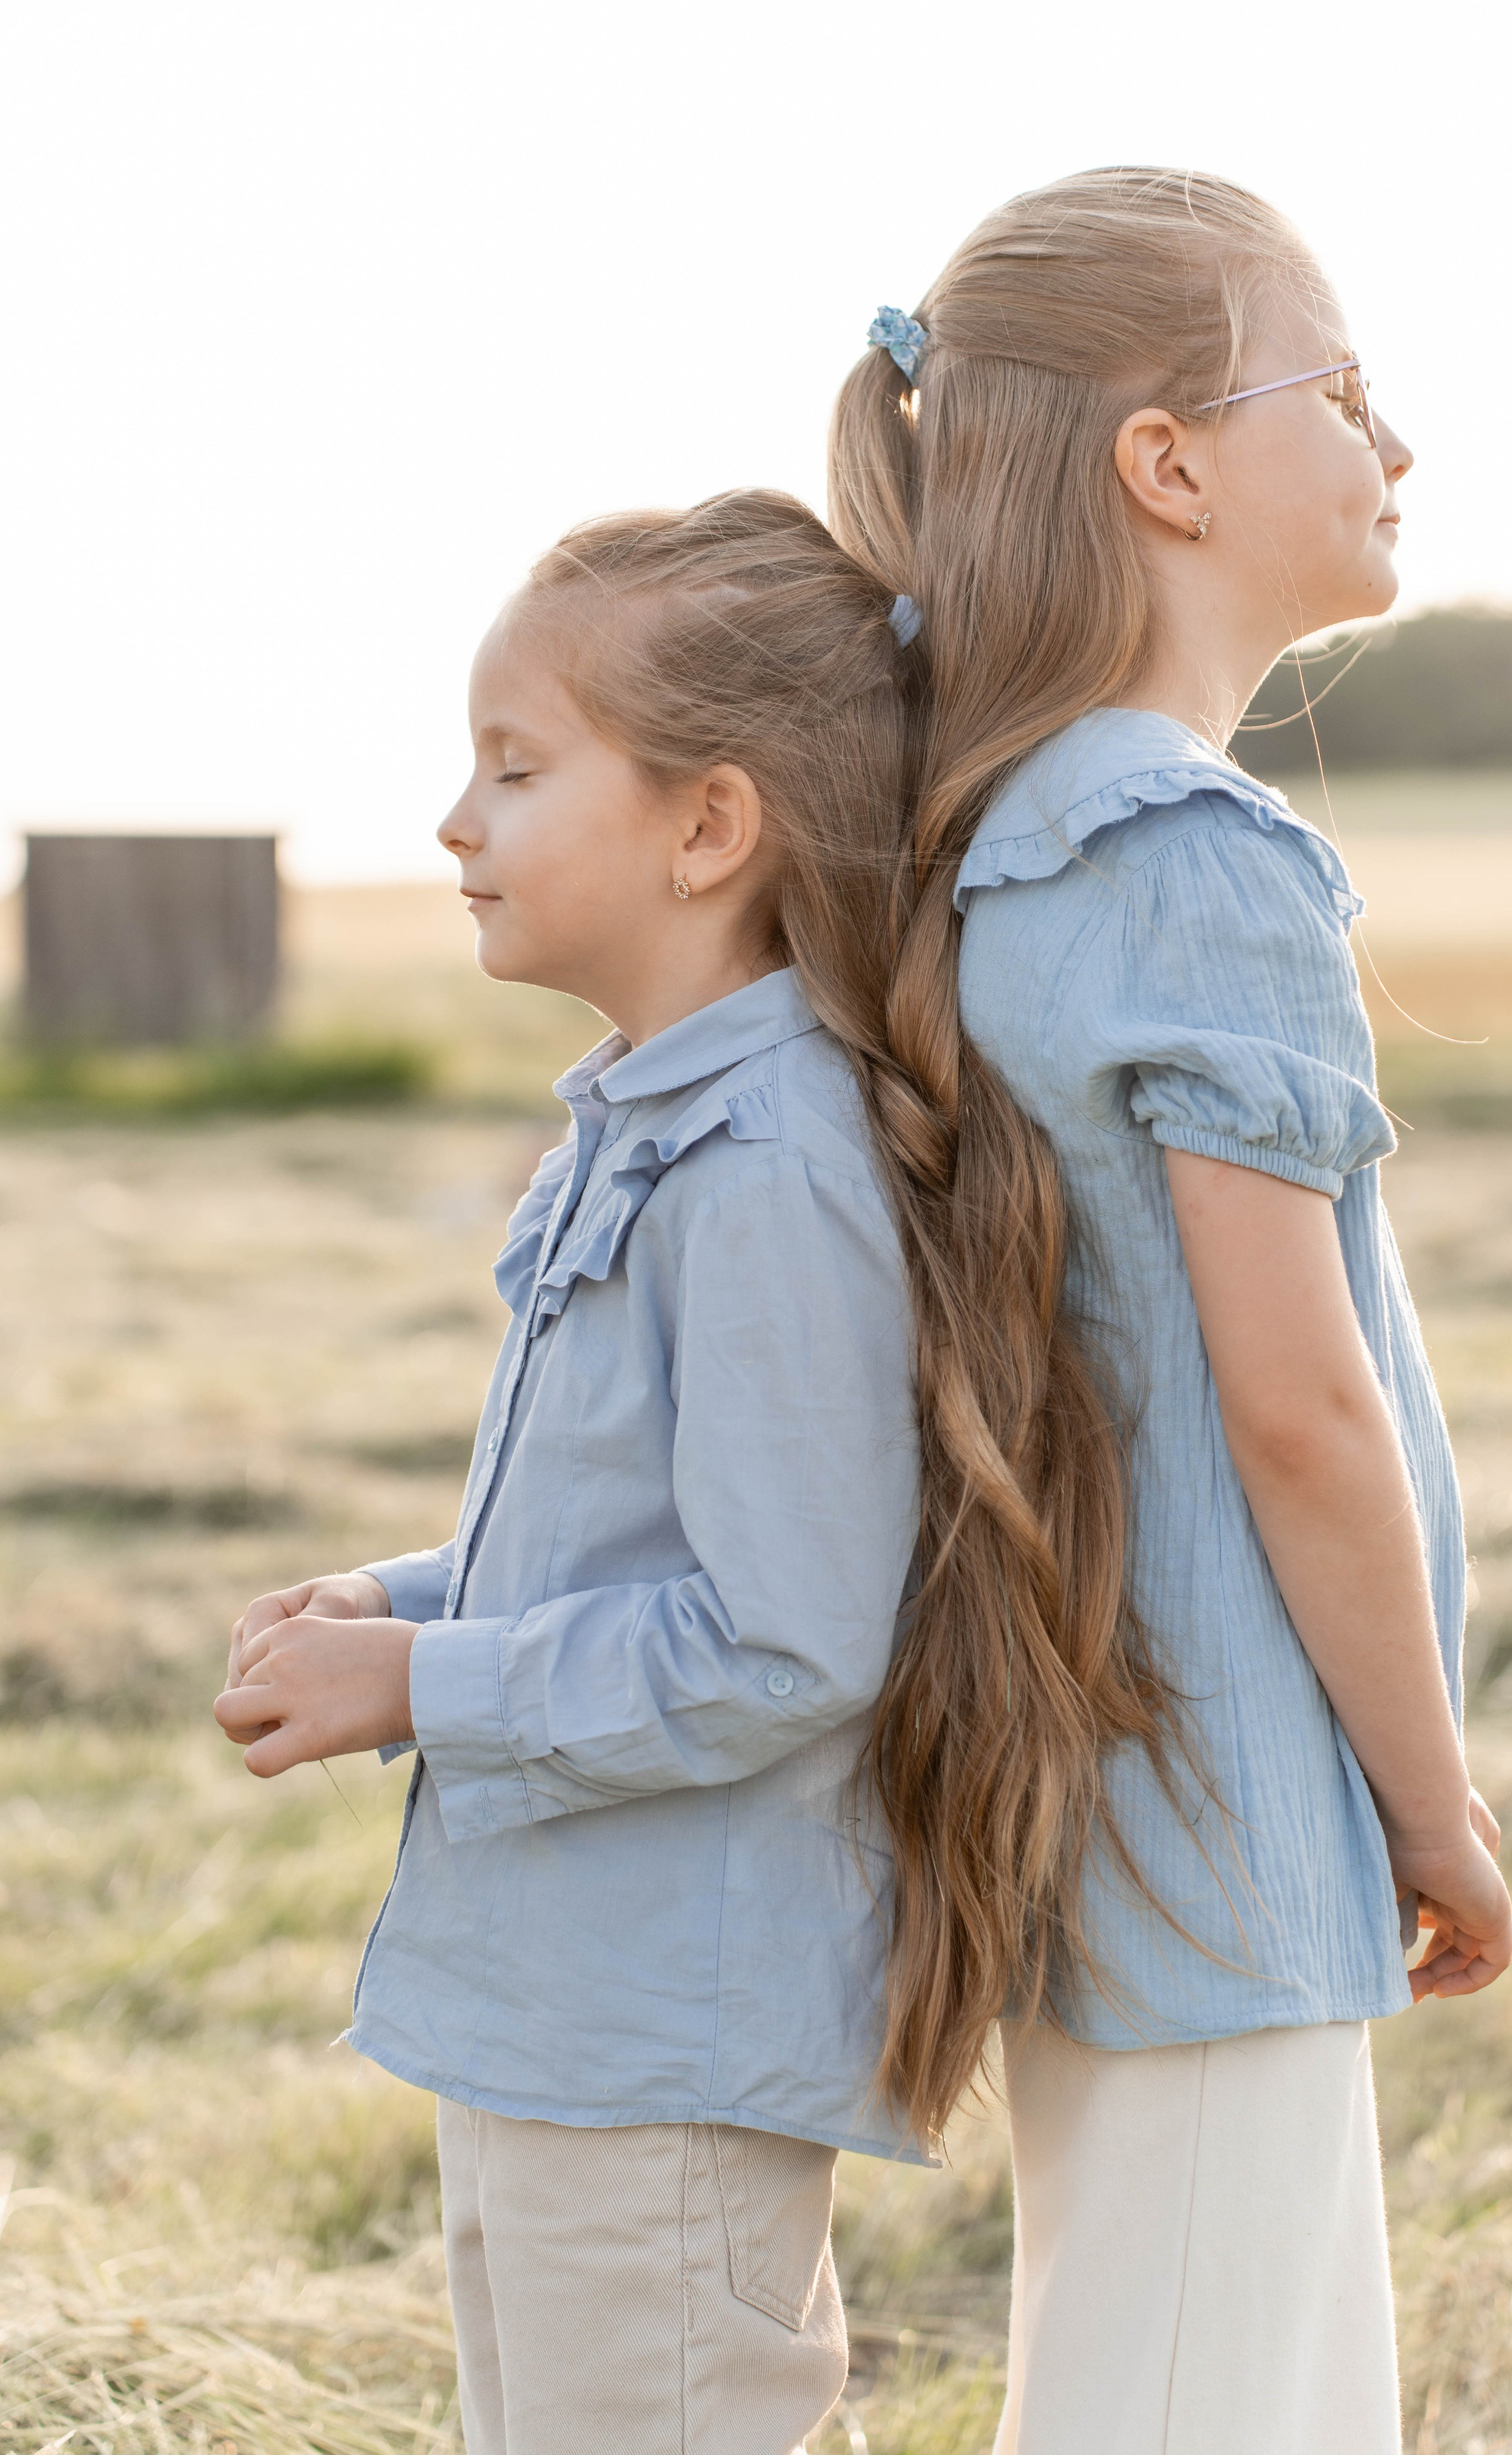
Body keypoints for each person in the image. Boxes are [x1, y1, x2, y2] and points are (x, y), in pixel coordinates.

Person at [213, 491, 1120, 2454]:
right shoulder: (645, 1129)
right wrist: (401, 1603)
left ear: (711, 828)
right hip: (552, 2012)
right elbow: (618, 1538)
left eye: (517, 769)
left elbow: (787, 1639)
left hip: (660, 2048)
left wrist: (425, 1688)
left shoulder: (771, 1169)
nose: (458, 820)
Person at [828, 171, 1512, 2455]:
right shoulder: (1205, 857)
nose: (1393, 440)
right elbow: (1299, 1409)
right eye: (1341, 383)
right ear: (1171, 463)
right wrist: (1432, 1805)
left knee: (1137, 2365)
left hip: (1073, 1758)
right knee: (1227, 2401)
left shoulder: (992, 829)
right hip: (1237, 1788)